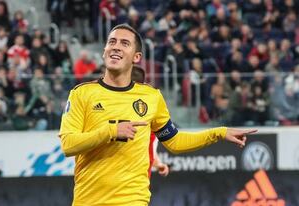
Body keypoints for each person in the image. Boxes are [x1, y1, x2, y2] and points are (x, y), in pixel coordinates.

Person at [58, 24, 256, 206]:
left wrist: (219, 133)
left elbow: (175, 141)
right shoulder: (81, 93)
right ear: (104, 52)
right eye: (112, 42)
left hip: (133, 200)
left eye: (124, 43)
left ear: (136, 57)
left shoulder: (151, 97)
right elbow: (68, 144)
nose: (116, 47)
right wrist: (111, 131)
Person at [131, 65, 169, 177]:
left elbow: (149, 147)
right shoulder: (151, 111)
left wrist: (158, 164)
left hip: (136, 182)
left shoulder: (149, 112)